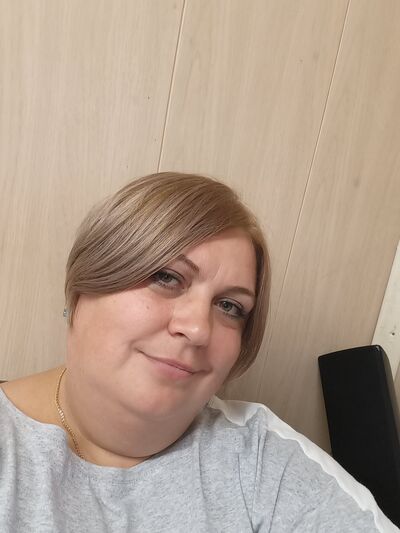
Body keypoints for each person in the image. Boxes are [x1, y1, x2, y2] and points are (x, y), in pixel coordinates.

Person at [0, 172, 397, 532]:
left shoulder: (261, 462)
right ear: (82, 288)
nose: (197, 329)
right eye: (166, 277)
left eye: (229, 306)